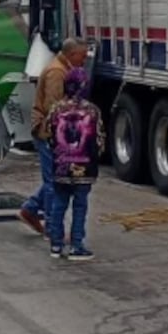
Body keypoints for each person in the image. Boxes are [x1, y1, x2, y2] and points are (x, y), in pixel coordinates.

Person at [17, 37, 89, 236]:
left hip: (51, 131)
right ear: (72, 54)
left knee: (54, 177)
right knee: (53, 182)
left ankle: (31, 209)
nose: (84, 61)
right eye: (82, 56)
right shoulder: (57, 72)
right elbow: (54, 107)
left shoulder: (62, 68)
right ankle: (51, 226)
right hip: (48, 132)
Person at [44, 67, 105, 260]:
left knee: (58, 204)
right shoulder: (93, 111)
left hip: (61, 167)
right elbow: (100, 141)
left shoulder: (56, 109)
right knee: (80, 206)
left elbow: (49, 136)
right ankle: (76, 245)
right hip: (84, 169)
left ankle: (56, 244)